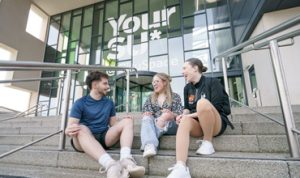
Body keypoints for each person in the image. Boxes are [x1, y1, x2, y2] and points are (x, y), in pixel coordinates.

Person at [65, 71, 145, 178]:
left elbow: (113, 124)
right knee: (81, 127)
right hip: (84, 140)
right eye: (105, 83)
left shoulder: (109, 103)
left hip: (103, 137)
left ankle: (125, 159)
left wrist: (124, 121)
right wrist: (69, 130)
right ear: (94, 85)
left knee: (127, 121)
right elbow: (70, 127)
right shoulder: (80, 103)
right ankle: (111, 165)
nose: (108, 86)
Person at [167, 58, 233, 178]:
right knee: (185, 120)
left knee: (202, 103)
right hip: (198, 125)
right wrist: (183, 115)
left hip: (215, 123)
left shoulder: (213, 82)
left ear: (195, 68)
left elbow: (216, 108)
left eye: (184, 68)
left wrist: (189, 115)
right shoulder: (187, 88)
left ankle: (208, 143)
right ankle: (181, 167)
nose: (182, 72)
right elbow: (187, 108)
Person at [141, 73, 183, 158]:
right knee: (146, 118)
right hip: (156, 123)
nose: (154, 84)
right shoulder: (150, 97)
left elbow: (179, 114)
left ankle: (148, 143)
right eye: (153, 82)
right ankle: (150, 145)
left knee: (165, 115)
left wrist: (171, 114)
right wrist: (147, 113)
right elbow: (146, 111)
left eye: (157, 81)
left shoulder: (175, 96)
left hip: (171, 124)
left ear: (165, 83)